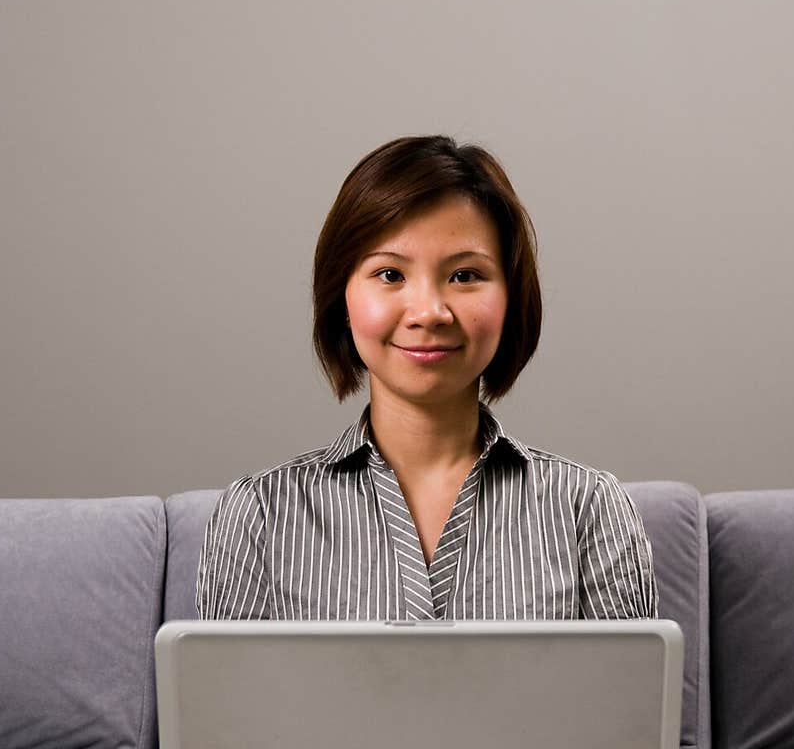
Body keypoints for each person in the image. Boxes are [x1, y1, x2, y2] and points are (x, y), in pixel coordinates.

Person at [196, 134, 658, 621]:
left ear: (511, 298)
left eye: (464, 276)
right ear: (342, 299)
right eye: (390, 275)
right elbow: (222, 699)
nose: (429, 312)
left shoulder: (589, 511)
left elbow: (630, 698)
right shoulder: (259, 516)